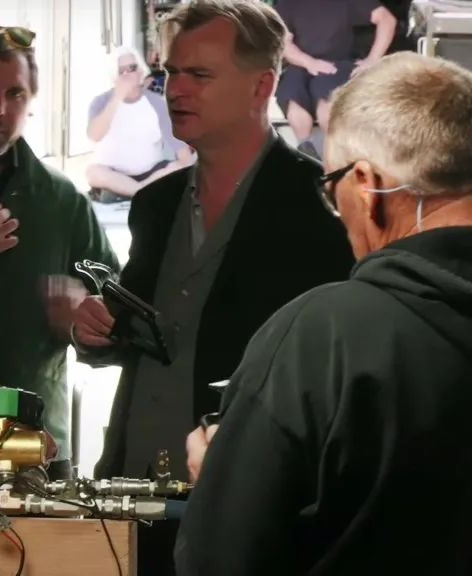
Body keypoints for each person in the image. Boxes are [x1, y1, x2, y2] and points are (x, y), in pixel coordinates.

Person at [70, 1, 354, 573]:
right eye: (172, 72)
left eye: (199, 74)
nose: (176, 89)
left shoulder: (323, 208)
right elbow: (143, 334)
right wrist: (96, 329)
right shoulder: (155, 205)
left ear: (261, 86)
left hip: (254, 513)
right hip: (133, 502)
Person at [177, 51, 472, 576]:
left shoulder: (324, 338)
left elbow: (218, 559)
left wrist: (219, 483)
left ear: (366, 185)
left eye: (332, 191)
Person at [0, 21, 119, 479]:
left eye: (15, 93)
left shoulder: (62, 201)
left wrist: (85, 322)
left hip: (34, 449)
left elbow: (122, 320)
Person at [275, 0, 396, 145]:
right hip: (300, 64)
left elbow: (387, 19)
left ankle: (334, 152)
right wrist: (309, 62)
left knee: (327, 108)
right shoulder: (288, 3)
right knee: (294, 104)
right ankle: (306, 150)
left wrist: (373, 59)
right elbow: (282, 41)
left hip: (337, 64)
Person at [86, 46, 194, 202]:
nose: (127, 74)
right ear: (114, 76)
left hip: (152, 173)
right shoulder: (101, 101)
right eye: (121, 71)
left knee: (182, 166)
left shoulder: (157, 103)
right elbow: (94, 136)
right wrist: (117, 98)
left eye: (132, 68)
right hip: (113, 173)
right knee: (92, 172)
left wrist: (186, 166)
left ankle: (134, 190)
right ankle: (140, 191)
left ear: (141, 72)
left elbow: (180, 148)